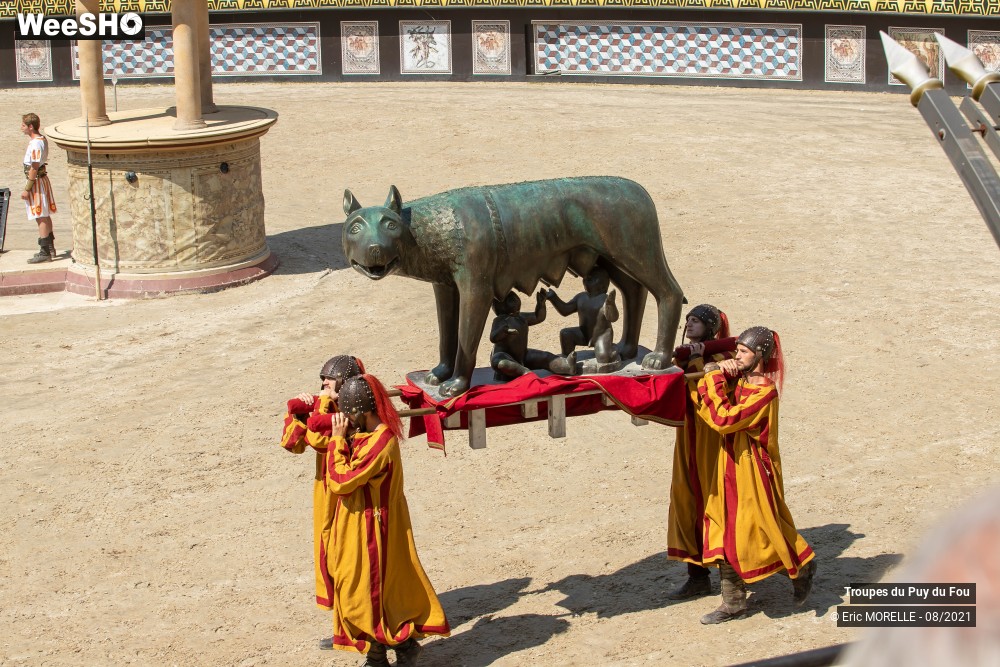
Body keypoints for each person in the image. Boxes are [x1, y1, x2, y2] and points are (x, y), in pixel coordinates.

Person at [325, 374, 450, 666]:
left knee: (368, 590)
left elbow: (341, 481)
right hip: (361, 523)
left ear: (364, 412)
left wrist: (336, 442)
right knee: (364, 588)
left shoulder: (381, 442)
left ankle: (387, 652)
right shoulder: (369, 434)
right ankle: (387, 651)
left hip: (373, 528)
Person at [694, 326, 816, 624]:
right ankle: (733, 602)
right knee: (724, 528)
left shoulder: (764, 392)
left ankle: (802, 567)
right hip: (730, 465)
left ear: (759, 355)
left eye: (743, 352)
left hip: (752, 474)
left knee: (760, 531)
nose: (736, 356)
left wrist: (713, 375)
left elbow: (724, 419)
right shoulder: (743, 379)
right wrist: (718, 371)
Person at [278, 355, 364, 644]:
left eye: (328, 380)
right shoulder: (328, 407)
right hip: (327, 495)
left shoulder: (356, 411)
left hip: (348, 496)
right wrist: (305, 410)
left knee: (346, 562)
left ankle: (357, 632)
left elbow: (317, 437)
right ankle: (346, 628)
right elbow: (294, 443)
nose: (323, 384)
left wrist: (317, 407)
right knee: (331, 558)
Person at [666, 304, 734, 600]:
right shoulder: (683, 356)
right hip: (687, 437)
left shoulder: (724, 359)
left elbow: (706, 391)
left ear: (710, 328)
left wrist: (696, 359)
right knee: (685, 498)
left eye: (696, 321)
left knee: (713, 499)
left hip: (711, 439)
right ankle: (696, 576)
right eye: (688, 320)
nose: (689, 324)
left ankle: (731, 583)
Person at [546, 267, 621, 368]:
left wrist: (611, 305)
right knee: (566, 334)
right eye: (587, 277)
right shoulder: (581, 297)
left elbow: (613, 318)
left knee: (604, 358)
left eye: (593, 278)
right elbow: (565, 310)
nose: (587, 278)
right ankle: (568, 359)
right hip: (583, 334)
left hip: (601, 336)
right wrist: (553, 298)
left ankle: (613, 350)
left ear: (603, 285)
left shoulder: (604, 299)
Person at [20, 113, 58, 264]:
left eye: (23, 125)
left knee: (40, 215)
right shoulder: (40, 140)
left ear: (30, 127)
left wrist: (27, 189)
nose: (21, 128)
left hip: (37, 182)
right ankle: (50, 246)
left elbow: (34, 167)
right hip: (41, 181)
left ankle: (45, 251)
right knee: (45, 214)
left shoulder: (36, 143)